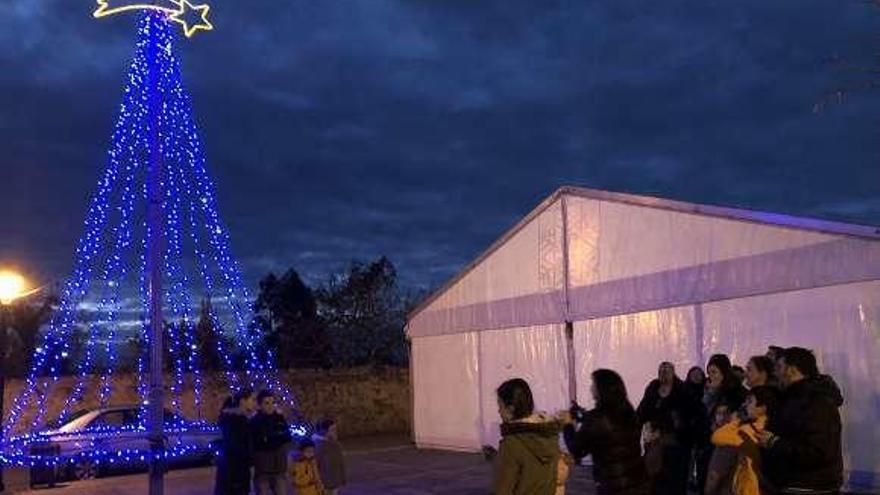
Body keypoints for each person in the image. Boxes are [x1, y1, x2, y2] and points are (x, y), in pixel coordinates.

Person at [758, 347, 843, 495]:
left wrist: (774, 442)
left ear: (791, 370)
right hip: (792, 484)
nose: (775, 373)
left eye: (778, 367)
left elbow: (818, 451)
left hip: (808, 487)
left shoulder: (816, 402)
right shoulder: (791, 398)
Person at [559, 369, 649, 495]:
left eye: (593, 384)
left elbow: (576, 449)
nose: (591, 388)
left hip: (613, 486)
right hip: (639, 481)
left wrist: (568, 425)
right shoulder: (628, 411)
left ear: (602, 389)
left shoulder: (597, 419)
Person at [637, 362, 699, 495]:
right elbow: (642, 411)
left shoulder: (682, 390)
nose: (664, 373)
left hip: (676, 445)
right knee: (653, 478)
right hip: (654, 441)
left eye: (667, 370)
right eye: (661, 371)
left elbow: (689, 417)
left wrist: (667, 429)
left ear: (673, 373)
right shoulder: (653, 388)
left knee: (673, 482)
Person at [493, 378, 562, 495]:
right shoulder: (550, 435)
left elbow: (503, 489)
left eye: (500, 406)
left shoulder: (511, 444)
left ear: (510, 409)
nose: (498, 411)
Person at [711, 386, 780, 495]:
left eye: (750, 401)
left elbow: (717, 437)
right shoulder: (775, 428)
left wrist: (737, 420)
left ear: (762, 408)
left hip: (749, 488)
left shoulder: (747, 431)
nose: (745, 405)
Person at [700, 354, 747, 495]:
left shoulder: (737, 393)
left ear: (724, 372)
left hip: (729, 447)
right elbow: (703, 413)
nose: (711, 377)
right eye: (709, 373)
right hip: (714, 443)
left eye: (714, 372)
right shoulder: (713, 392)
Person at [215, 387, 257, 495]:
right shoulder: (236, 421)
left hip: (235, 470)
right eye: (252, 400)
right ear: (243, 401)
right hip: (235, 471)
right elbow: (236, 446)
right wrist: (249, 457)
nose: (254, 403)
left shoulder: (238, 420)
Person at [251, 390, 293, 495]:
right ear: (260, 405)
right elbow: (257, 443)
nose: (270, 406)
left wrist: (274, 439)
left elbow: (286, 437)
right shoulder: (255, 422)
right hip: (263, 469)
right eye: (267, 403)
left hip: (279, 468)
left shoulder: (279, 418)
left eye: (272, 402)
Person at [312, 418, 346, 495]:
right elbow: (315, 465)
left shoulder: (336, 445)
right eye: (332, 429)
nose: (335, 432)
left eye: (335, 429)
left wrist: (342, 478)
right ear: (324, 431)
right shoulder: (318, 445)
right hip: (323, 483)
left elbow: (340, 462)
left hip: (334, 482)